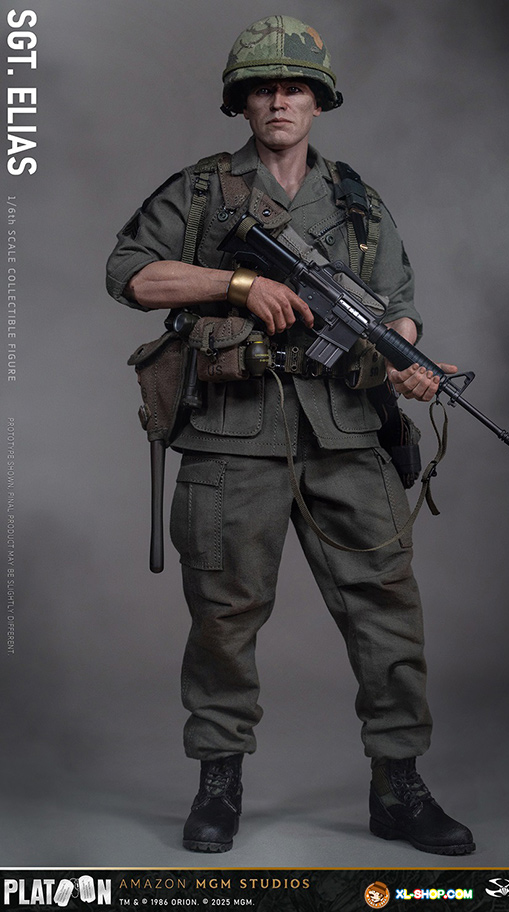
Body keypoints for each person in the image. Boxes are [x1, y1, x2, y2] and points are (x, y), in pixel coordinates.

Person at [106, 15, 474, 857]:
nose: (280, 101)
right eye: (265, 89)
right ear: (242, 103)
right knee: (224, 616)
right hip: (232, 434)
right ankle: (219, 783)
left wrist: (408, 360)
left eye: (295, 88)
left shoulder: (355, 201)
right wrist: (237, 284)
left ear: (318, 102)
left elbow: (398, 303)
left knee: (386, 608)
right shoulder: (202, 192)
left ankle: (399, 786)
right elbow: (129, 273)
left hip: (349, 433)